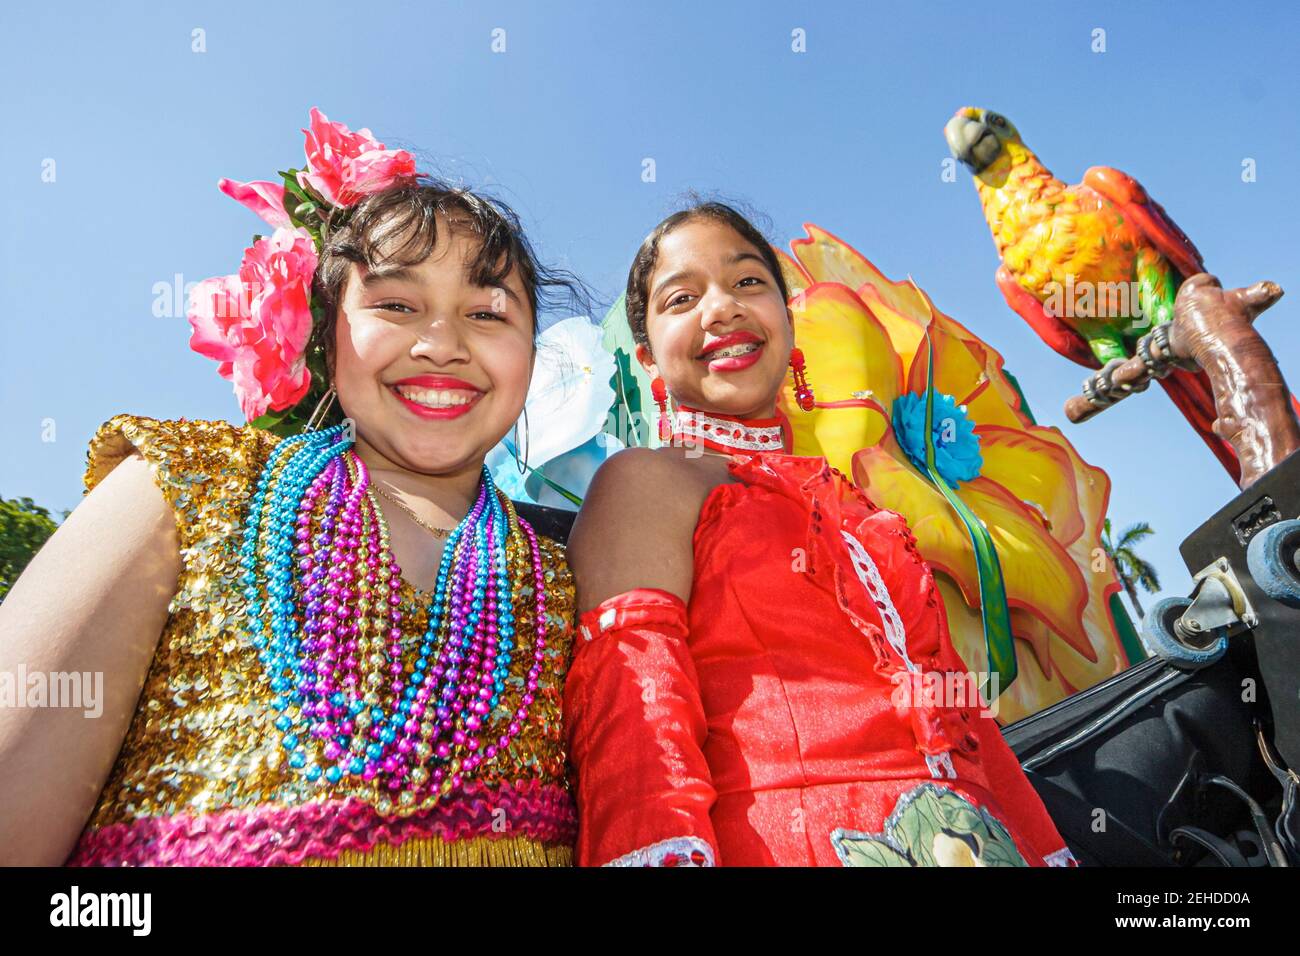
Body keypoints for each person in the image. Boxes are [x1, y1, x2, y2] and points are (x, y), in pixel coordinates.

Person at [0, 111, 583, 866]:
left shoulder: (578, 571)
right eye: (396, 305)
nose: (442, 343)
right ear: (325, 335)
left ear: (531, 357)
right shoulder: (183, 486)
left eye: (487, 313)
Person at [563, 201, 1077, 867]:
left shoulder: (862, 509)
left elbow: (972, 727)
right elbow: (632, 719)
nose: (722, 308)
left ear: (787, 319)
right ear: (647, 360)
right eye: (682, 297)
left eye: (749, 282)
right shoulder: (645, 481)